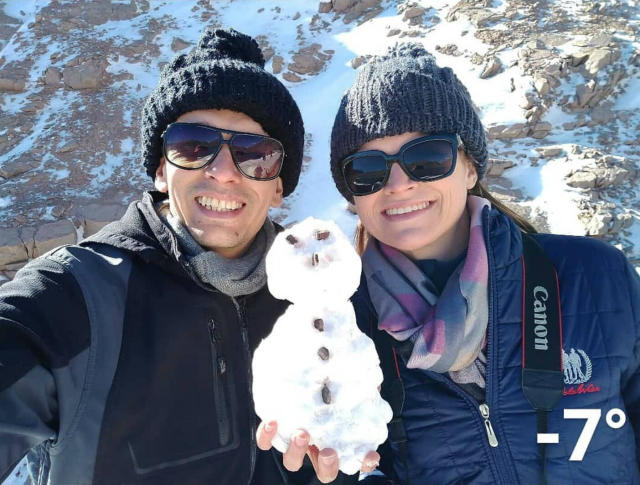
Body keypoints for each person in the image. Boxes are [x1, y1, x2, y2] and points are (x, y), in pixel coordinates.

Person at [0, 27, 353, 485]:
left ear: (279, 186)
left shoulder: (321, 292)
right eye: (193, 146)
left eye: (255, 154)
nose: (224, 172)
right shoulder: (76, 296)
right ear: (161, 170)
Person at [328, 44, 640, 485]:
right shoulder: (342, 325)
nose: (398, 184)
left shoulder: (594, 276)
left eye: (426, 157)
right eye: (368, 169)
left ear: (470, 167)